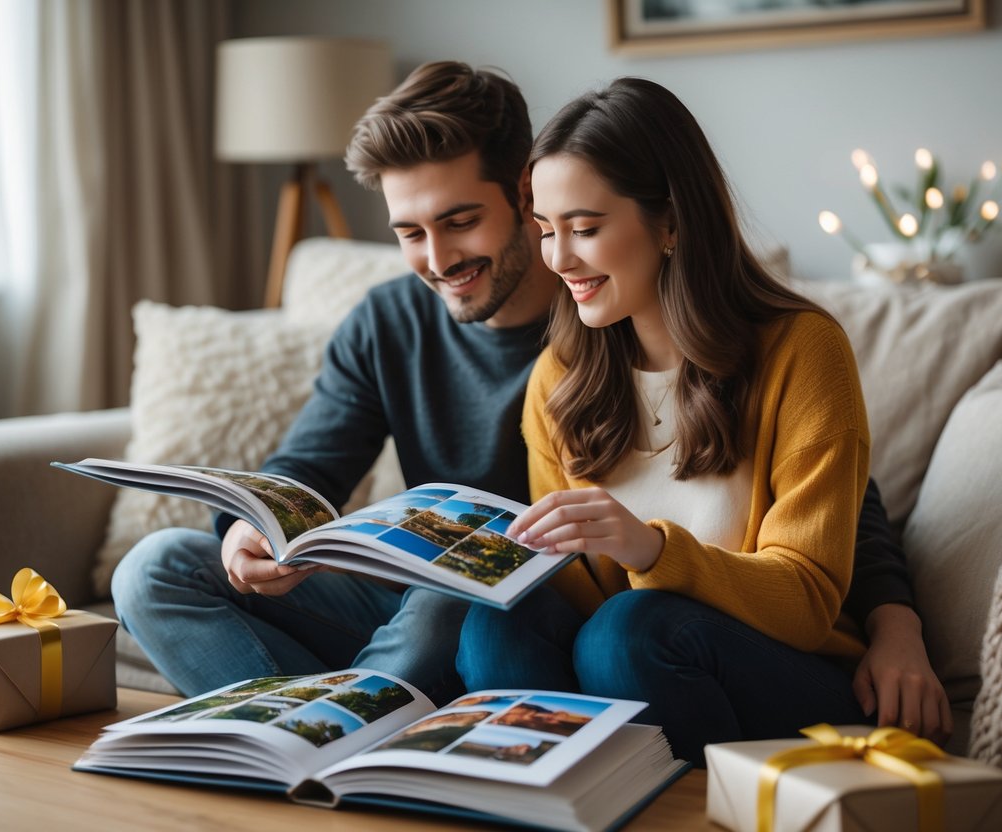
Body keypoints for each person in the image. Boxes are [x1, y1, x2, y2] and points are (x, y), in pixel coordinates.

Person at [111, 63, 949, 741]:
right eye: (408, 232)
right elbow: (309, 463)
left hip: (595, 615)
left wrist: (894, 619)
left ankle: (365, 725)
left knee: (489, 600)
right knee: (158, 568)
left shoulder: (660, 315)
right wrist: (254, 527)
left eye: (460, 221)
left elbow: (833, 506)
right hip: (482, 605)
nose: (436, 258)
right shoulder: (517, 350)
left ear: (521, 193)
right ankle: (313, 734)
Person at [455, 76, 952, 766]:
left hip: (784, 674)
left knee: (630, 630)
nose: (558, 259)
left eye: (585, 228)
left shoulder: (800, 351)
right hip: (630, 668)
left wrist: (654, 552)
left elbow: (807, 601)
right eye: (544, 230)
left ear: (670, 223)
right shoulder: (558, 379)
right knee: (493, 626)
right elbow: (570, 593)